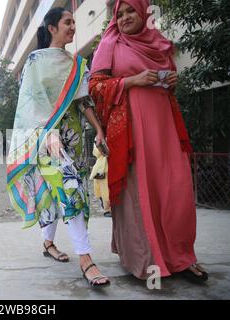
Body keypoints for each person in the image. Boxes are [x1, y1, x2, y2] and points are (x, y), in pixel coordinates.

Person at [89, 0, 207, 282]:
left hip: (164, 126)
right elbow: (94, 87)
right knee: (141, 193)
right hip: (131, 130)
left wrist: (172, 82)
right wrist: (132, 81)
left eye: (131, 11)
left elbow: (168, 79)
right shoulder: (111, 44)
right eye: (120, 13)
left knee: (175, 190)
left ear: (144, 13)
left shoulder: (159, 43)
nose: (125, 17)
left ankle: (182, 257)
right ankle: (147, 261)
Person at [6, 7, 110, 288]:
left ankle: (48, 243)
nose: (73, 26)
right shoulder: (35, 60)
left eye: (75, 22)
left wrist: (99, 130)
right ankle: (86, 260)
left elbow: (83, 101)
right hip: (44, 137)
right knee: (71, 189)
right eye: (68, 22)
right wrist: (47, 133)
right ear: (51, 28)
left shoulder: (77, 64)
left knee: (55, 193)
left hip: (73, 136)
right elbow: (31, 100)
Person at [89, 144, 111, 217]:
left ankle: (109, 207)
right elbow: (96, 153)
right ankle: (107, 209)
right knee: (103, 189)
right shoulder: (98, 138)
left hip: (110, 164)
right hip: (101, 167)